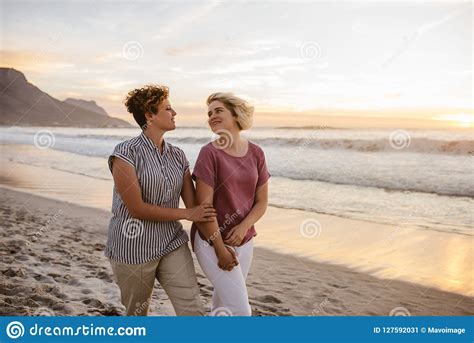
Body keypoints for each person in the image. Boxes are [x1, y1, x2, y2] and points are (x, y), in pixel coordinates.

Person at [106, 84, 214, 316]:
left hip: (171, 242)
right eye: (168, 108)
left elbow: (194, 205)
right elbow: (137, 209)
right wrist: (187, 214)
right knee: (137, 314)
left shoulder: (178, 155)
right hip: (132, 247)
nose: (174, 112)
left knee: (192, 308)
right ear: (149, 115)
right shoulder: (125, 153)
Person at [191, 92, 270, 316]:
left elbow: (262, 202)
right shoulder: (209, 153)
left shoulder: (256, 153)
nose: (212, 116)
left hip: (245, 241)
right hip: (210, 240)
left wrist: (244, 226)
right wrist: (220, 249)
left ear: (235, 115)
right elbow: (204, 208)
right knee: (241, 311)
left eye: (218, 111)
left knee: (224, 305)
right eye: (209, 113)